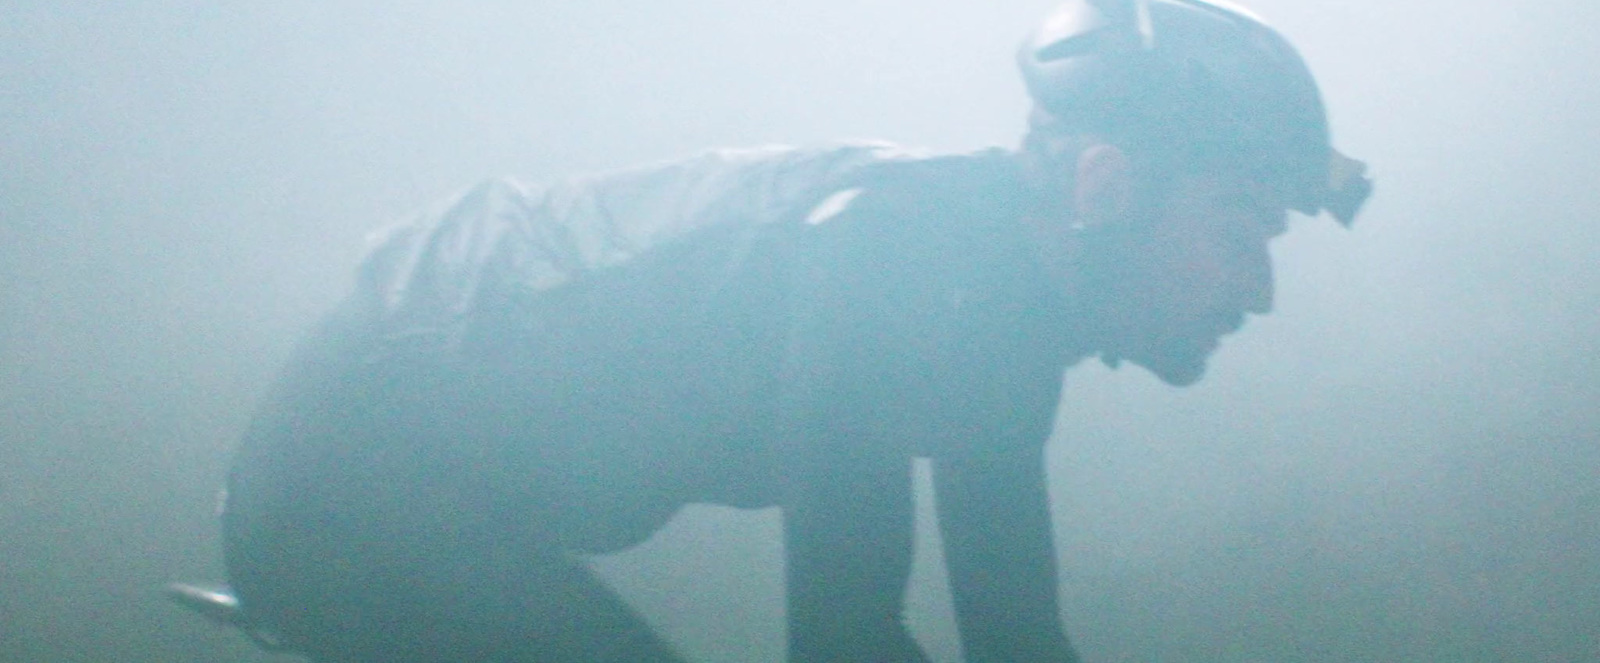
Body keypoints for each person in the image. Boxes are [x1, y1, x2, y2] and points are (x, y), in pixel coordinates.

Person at [182, 0, 1374, 661]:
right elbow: (844, 632)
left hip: (405, 492)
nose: (1257, 288)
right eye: (1239, 227)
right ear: (1103, 185)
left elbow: (1013, 634)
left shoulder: (1006, 324)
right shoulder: (892, 252)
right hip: (346, 484)